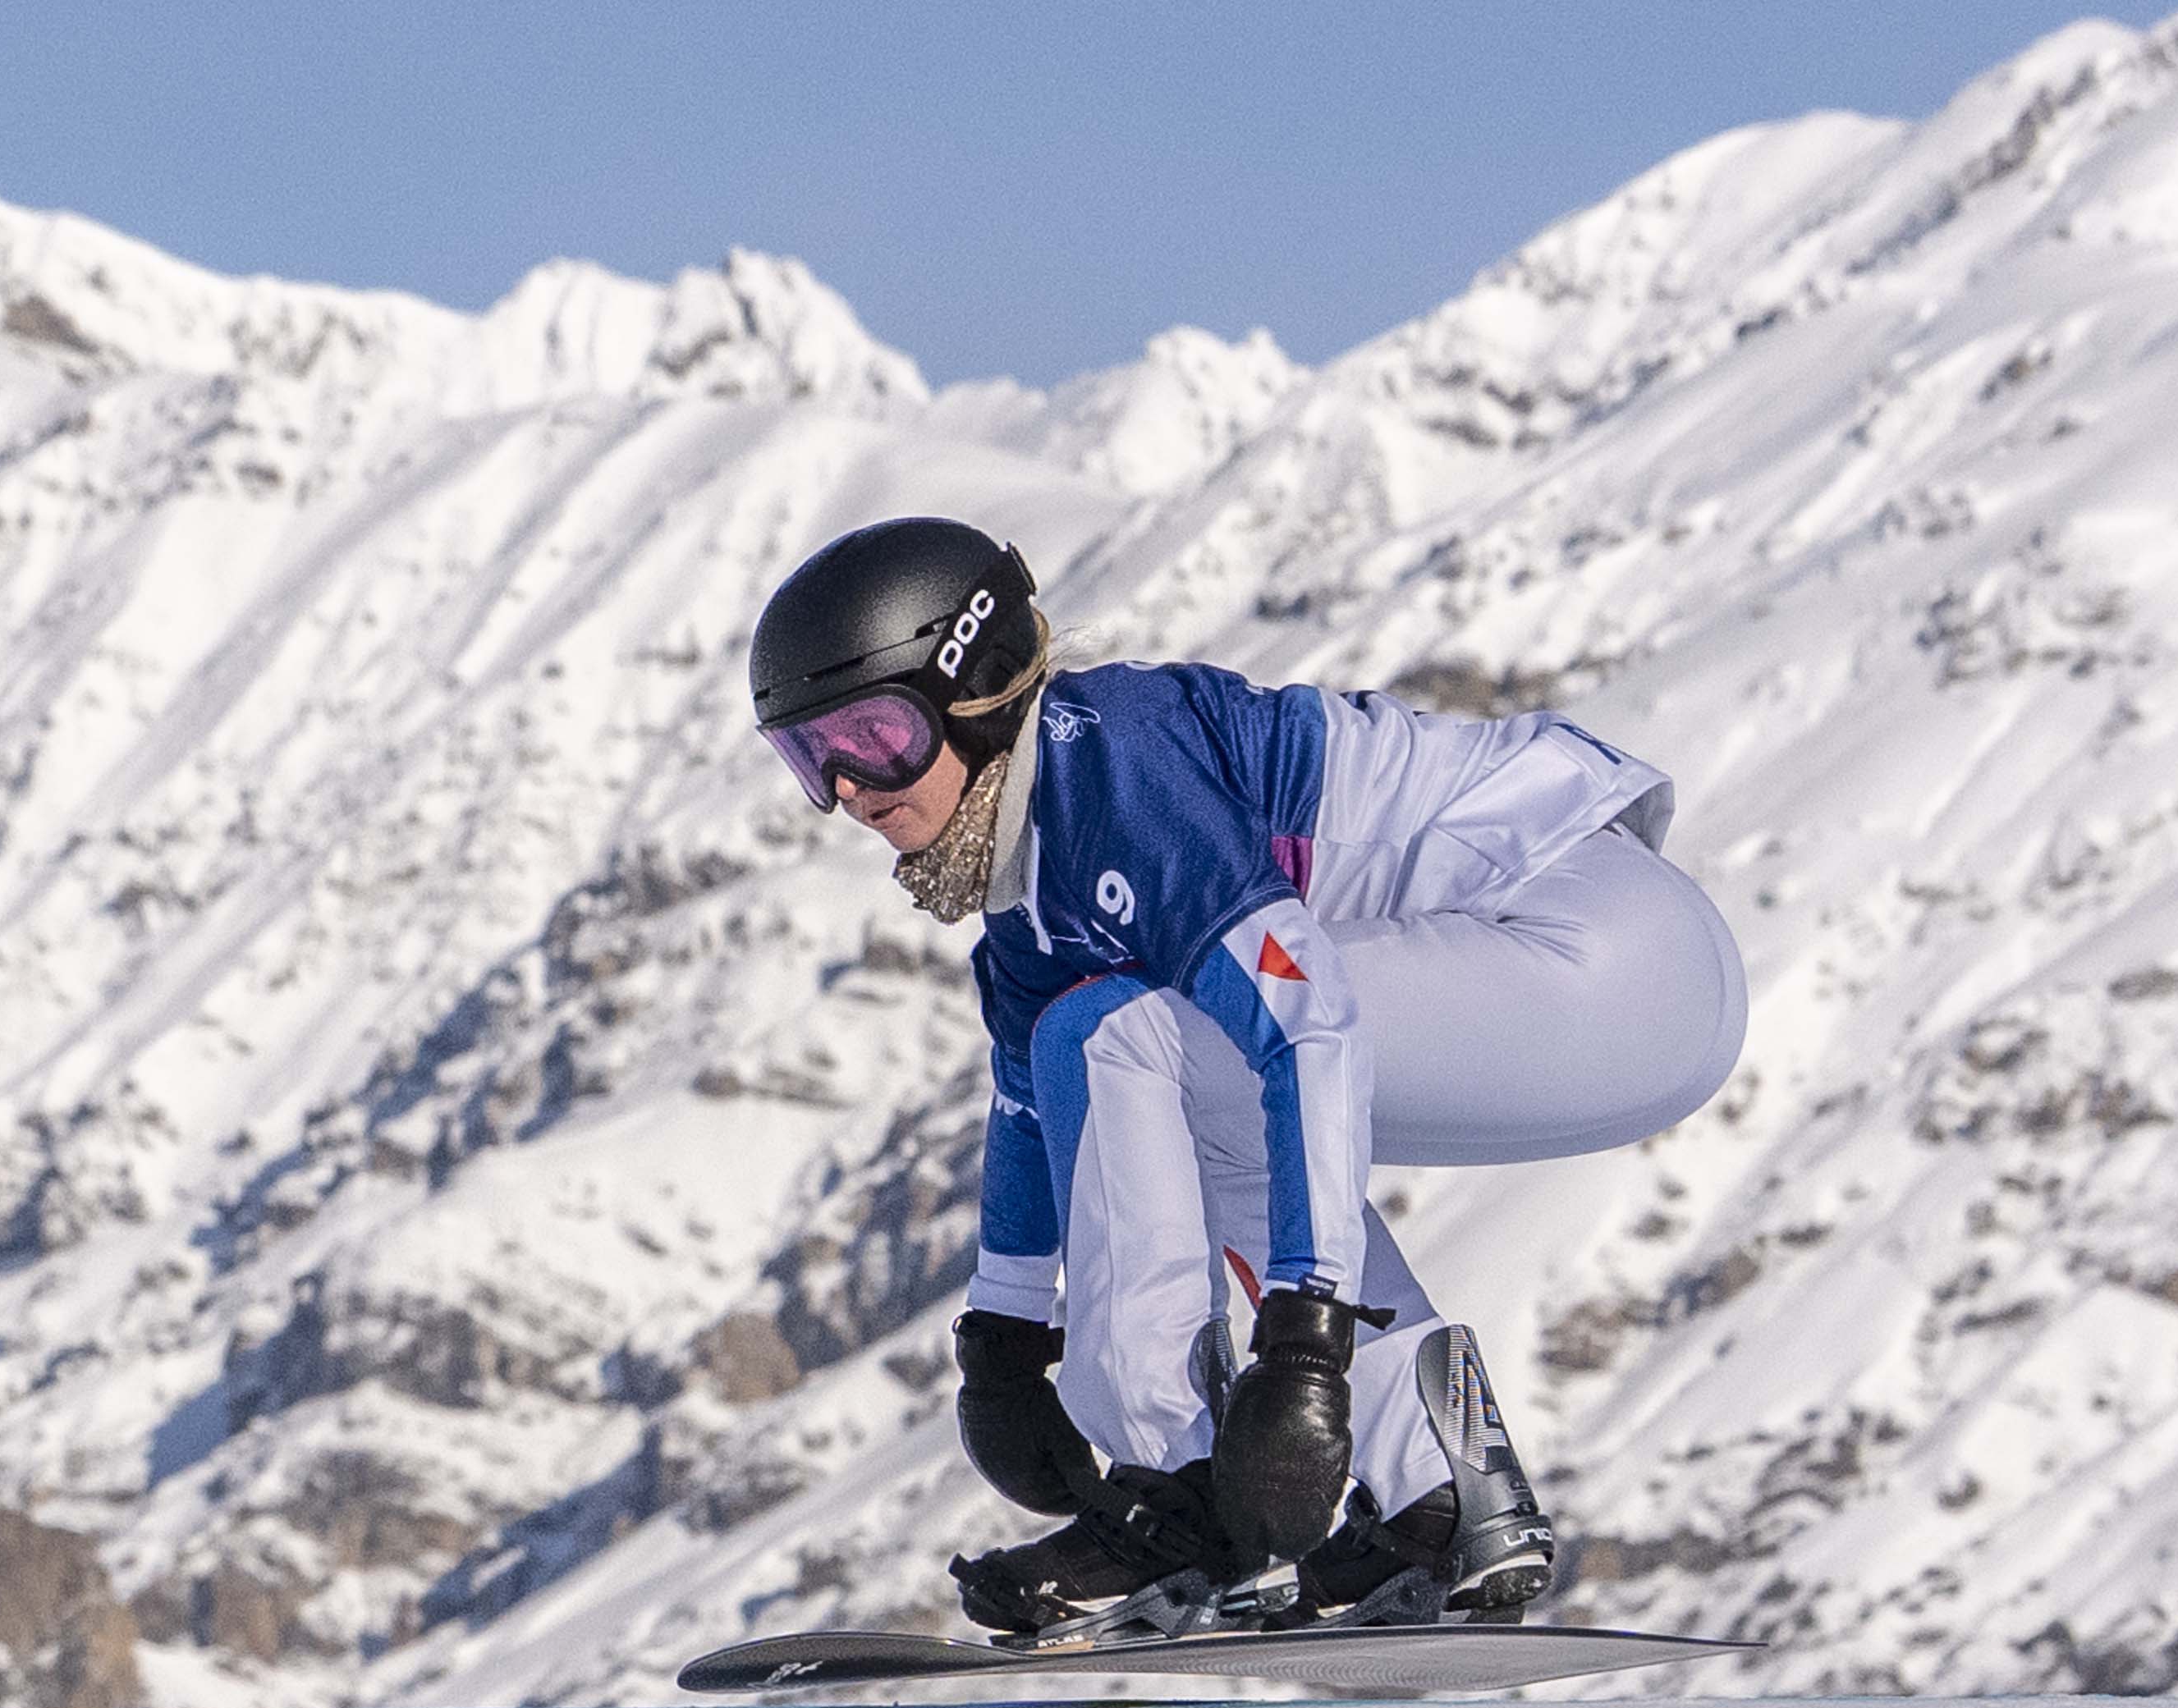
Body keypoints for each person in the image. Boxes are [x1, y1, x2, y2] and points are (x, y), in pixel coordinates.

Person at [749, 516, 1747, 1637]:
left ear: (976, 687)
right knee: (1134, 1051)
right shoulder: (1030, 894)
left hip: (1605, 952)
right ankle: (1436, 1495)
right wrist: (1005, 1344)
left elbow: (1306, 1029)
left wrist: (1302, 1347)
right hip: (1614, 992)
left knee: (1129, 1038)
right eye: (808, 757)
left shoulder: (1114, 769)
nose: (849, 791)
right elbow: (1029, 1100)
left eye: (875, 736)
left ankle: (1178, 1497)